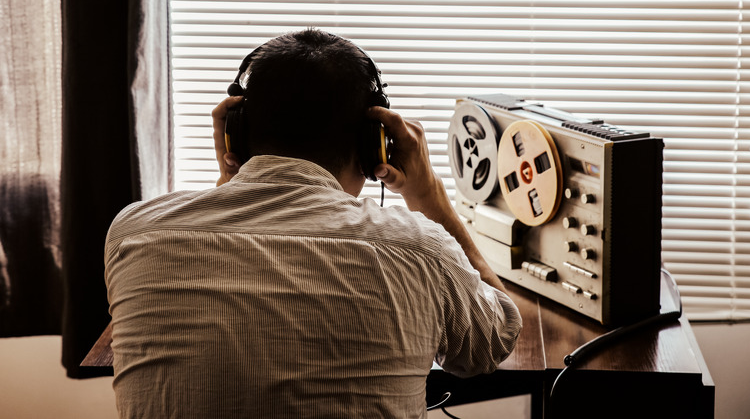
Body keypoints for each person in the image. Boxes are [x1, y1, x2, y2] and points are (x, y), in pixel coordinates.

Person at [104, 28, 521, 418]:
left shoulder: (133, 233)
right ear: (372, 145)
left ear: (236, 134)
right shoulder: (421, 249)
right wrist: (431, 199)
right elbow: (495, 340)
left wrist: (231, 178)